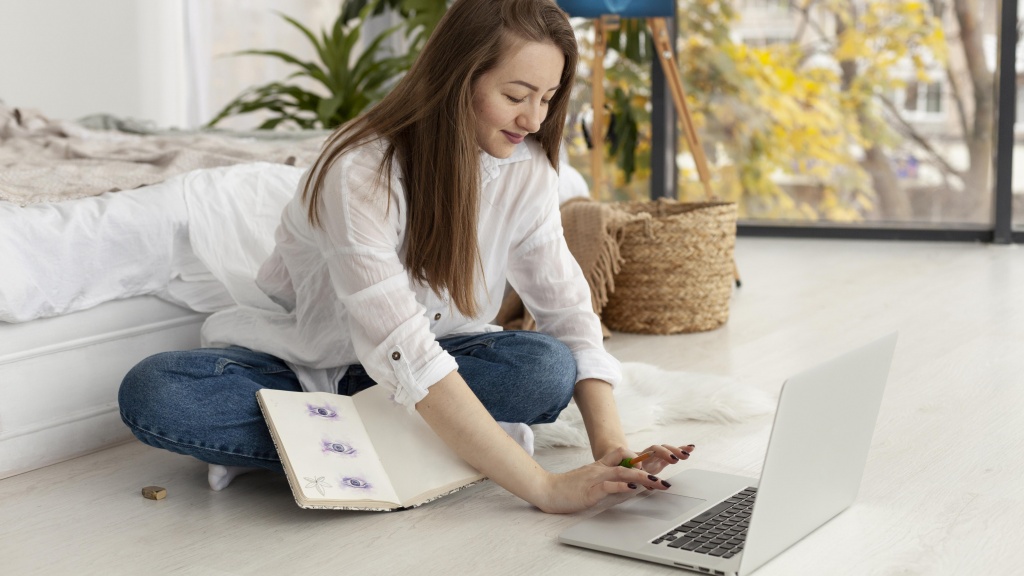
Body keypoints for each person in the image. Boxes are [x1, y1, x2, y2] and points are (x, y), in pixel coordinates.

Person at [118, 0, 693, 514]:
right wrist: (542, 487)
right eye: (516, 96)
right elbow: (404, 349)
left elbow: (566, 310)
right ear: (456, 79)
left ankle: (338, 450)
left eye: (547, 98)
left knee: (545, 367)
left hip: (438, 362)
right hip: (311, 369)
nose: (534, 120)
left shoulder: (527, 168)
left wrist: (612, 448)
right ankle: (440, 442)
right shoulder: (362, 172)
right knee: (158, 392)